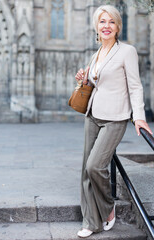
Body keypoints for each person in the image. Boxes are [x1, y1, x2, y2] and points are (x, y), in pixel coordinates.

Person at [75, 5, 153, 238]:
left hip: (115, 118)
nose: (106, 26)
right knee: (86, 172)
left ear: (118, 26)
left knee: (95, 166)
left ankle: (108, 209)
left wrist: (139, 116)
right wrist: (83, 79)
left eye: (111, 22)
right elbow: (97, 83)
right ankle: (91, 222)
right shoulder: (96, 53)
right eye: (102, 21)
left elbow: (135, 85)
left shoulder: (127, 51)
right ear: (96, 27)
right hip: (93, 115)